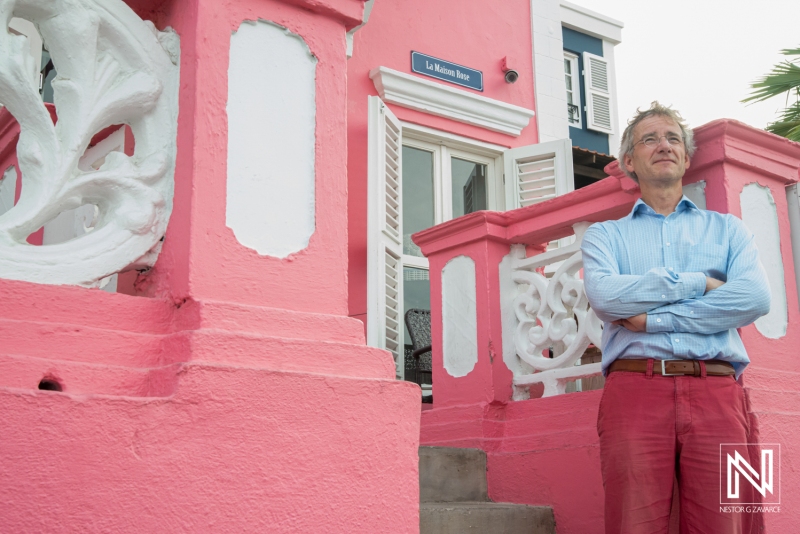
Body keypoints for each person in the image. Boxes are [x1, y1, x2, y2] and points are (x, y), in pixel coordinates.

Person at [581, 101, 771, 533]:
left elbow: (755, 299)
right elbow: (608, 299)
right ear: (629, 161)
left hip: (721, 392)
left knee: (729, 524)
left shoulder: (729, 229)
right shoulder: (605, 235)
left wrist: (653, 320)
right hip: (634, 390)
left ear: (686, 158)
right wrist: (700, 283)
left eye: (672, 139)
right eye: (649, 138)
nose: (663, 145)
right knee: (633, 524)